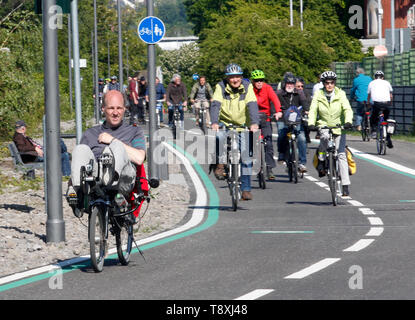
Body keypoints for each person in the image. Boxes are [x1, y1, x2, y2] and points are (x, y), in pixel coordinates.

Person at [66, 90, 146, 218]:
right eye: (111, 108)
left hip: (122, 179)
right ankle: (76, 193)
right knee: (80, 149)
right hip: (96, 177)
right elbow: (80, 162)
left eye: (119, 108)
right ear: (103, 109)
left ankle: (113, 185)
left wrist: (112, 140)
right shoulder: (90, 133)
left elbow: (139, 158)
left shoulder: (134, 131)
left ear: (125, 109)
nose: (115, 112)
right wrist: (71, 182)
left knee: (116, 147)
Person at [211, 63, 259, 201]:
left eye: (237, 76)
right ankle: (220, 164)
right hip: (225, 123)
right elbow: (215, 105)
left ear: (241, 77)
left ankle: (246, 189)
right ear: (227, 79)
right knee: (219, 136)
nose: (235, 80)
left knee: (247, 158)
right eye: (232, 77)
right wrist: (214, 122)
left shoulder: (247, 86)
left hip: (242, 124)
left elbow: (252, 105)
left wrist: (254, 123)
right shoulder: (220, 87)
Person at [308, 71, 353, 196]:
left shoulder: (341, 93)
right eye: (327, 83)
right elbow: (313, 110)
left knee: (341, 154)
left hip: (339, 126)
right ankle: (321, 159)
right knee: (324, 137)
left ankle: (345, 185)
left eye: (332, 83)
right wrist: (311, 123)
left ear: (335, 83)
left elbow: (347, 108)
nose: (329, 85)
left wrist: (348, 121)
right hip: (324, 124)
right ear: (323, 84)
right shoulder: (318, 94)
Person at [250, 69, 282, 180]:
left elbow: (275, 99)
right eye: (257, 80)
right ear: (253, 82)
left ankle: (269, 168)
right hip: (253, 120)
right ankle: (253, 164)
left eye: (261, 80)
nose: (259, 82)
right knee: (252, 143)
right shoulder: (249, 90)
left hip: (266, 118)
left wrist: (278, 111)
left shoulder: (267, 88)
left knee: (268, 143)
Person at [276, 74, 309, 173]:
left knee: (302, 138)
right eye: (288, 83)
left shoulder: (300, 93)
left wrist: (307, 111)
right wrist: (277, 112)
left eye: (292, 83)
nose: (290, 85)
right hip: (283, 119)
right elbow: (274, 103)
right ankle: (281, 154)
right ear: (284, 84)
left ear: (294, 85)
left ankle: (302, 163)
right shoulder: (279, 93)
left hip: (297, 119)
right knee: (282, 135)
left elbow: (304, 104)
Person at [367, 70, 394, 148]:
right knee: (386, 120)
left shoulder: (371, 83)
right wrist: (390, 103)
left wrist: (368, 103)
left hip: (377, 104)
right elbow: (391, 95)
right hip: (386, 104)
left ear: (375, 77)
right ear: (383, 77)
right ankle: (388, 137)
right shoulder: (387, 83)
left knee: (373, 118)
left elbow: (369, 95)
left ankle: (374, 131)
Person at [295, 77, 312, 143]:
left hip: (303, 112)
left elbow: (309, 103)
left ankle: (306, 135)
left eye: (302, 86)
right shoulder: (292, 93)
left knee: (307, 124)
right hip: (293, 112)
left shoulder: (306, 92)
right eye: (298, 86)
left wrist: (308, 111)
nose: (300, 88)